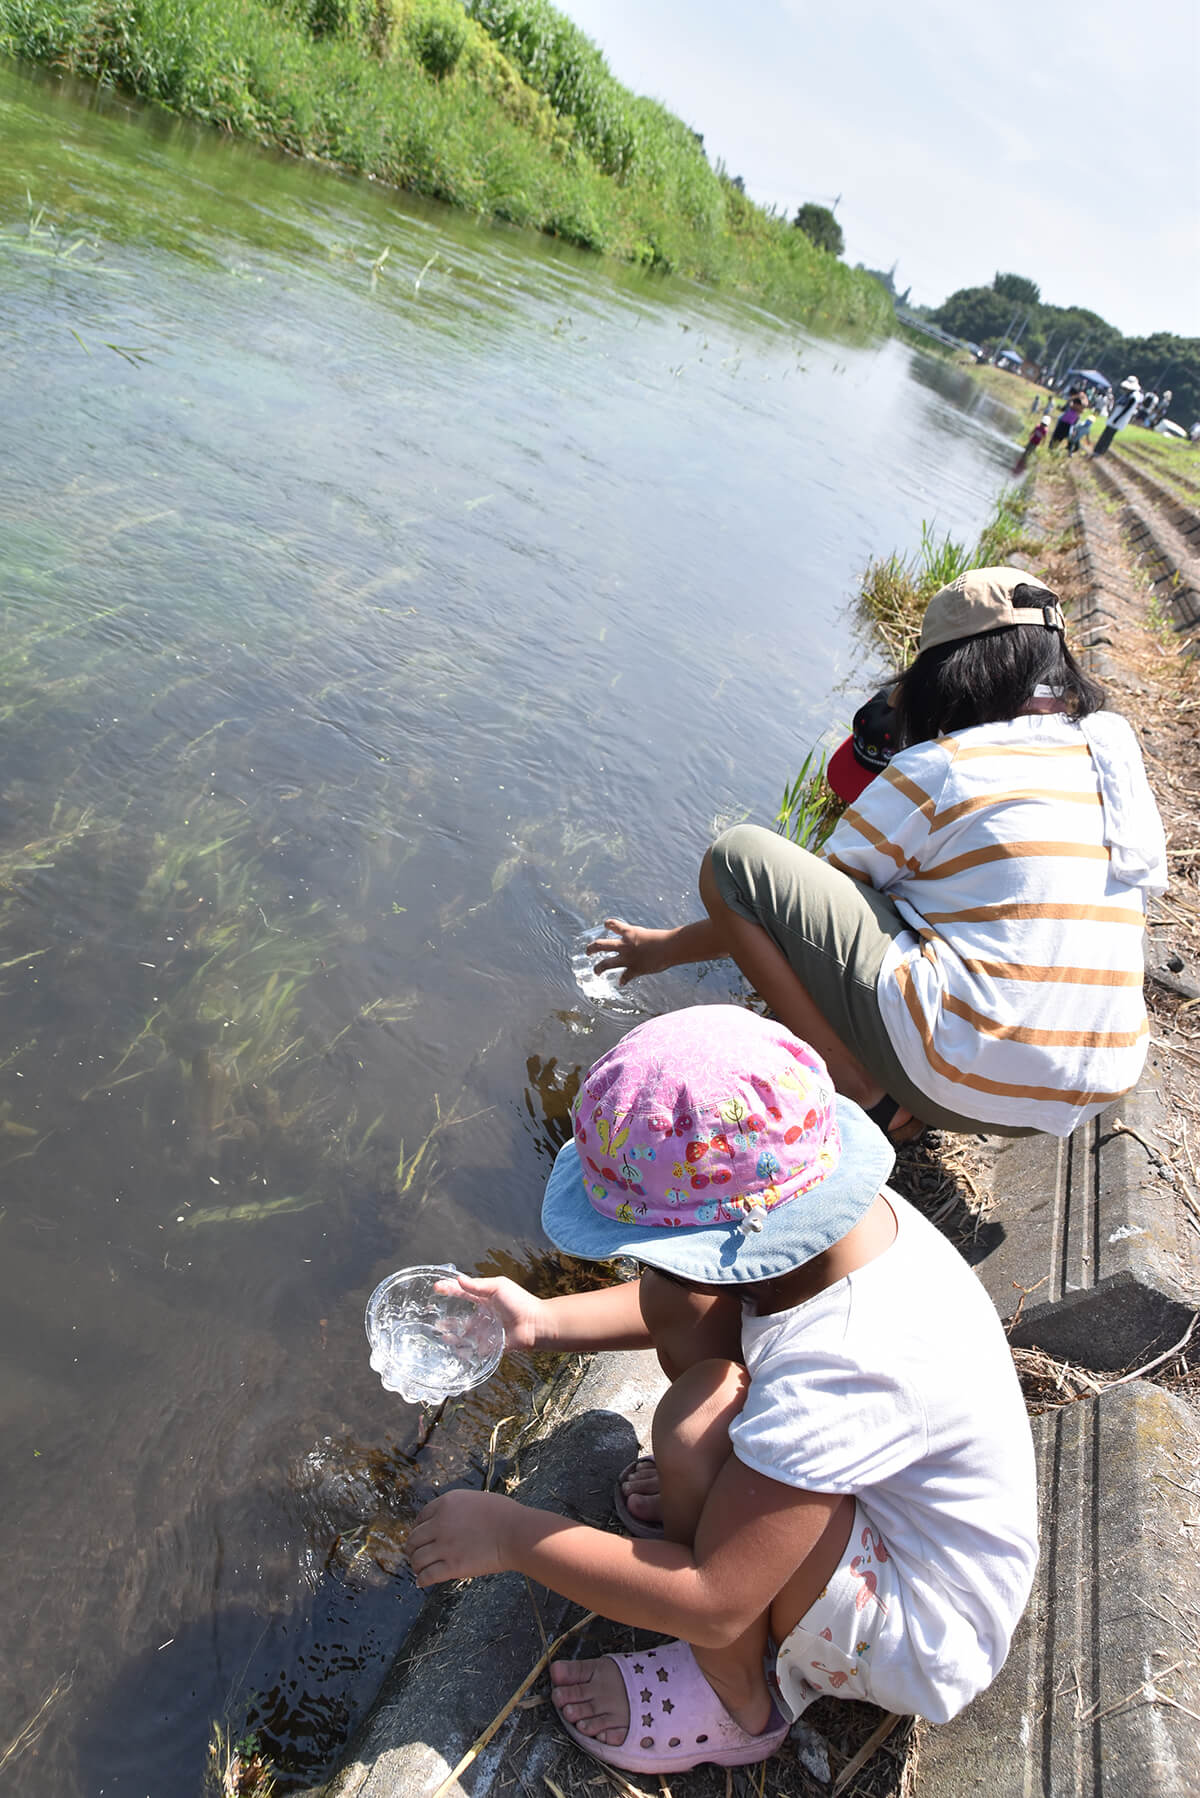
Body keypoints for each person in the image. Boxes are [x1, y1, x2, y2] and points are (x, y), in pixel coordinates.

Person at [406, 1006, 1039, 1775]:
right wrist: (539, 1322)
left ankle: (736, 1699)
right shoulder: (817, 1209)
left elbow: (716, 1599)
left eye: (655, 1250)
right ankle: (716, 1506)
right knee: (699, 1356)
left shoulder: (847, 1361)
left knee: (692, 1427)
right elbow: (684, 1297)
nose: (645, 1267)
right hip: (883, 1511)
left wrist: (511, 1535)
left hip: (918, 1623)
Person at [586, 568, 1166, 1143]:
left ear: (947, 675)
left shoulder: (947, 765)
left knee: (735, 858)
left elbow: (789, 922)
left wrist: (661, 950)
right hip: (1082, 1094)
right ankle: (906, 1086)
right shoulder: (1112, 761)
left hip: (966, 1077)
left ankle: (860, 1087)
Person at [1092, 375, 1142, 456]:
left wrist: (1117, 419)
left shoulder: (1134, 396)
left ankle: (1100, 451)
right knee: (1106, 433)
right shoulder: (1128, 394)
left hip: (1119, 419)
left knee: (1108, 436)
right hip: (1115, 417)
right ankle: (1097, 450)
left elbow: (1127, 409)